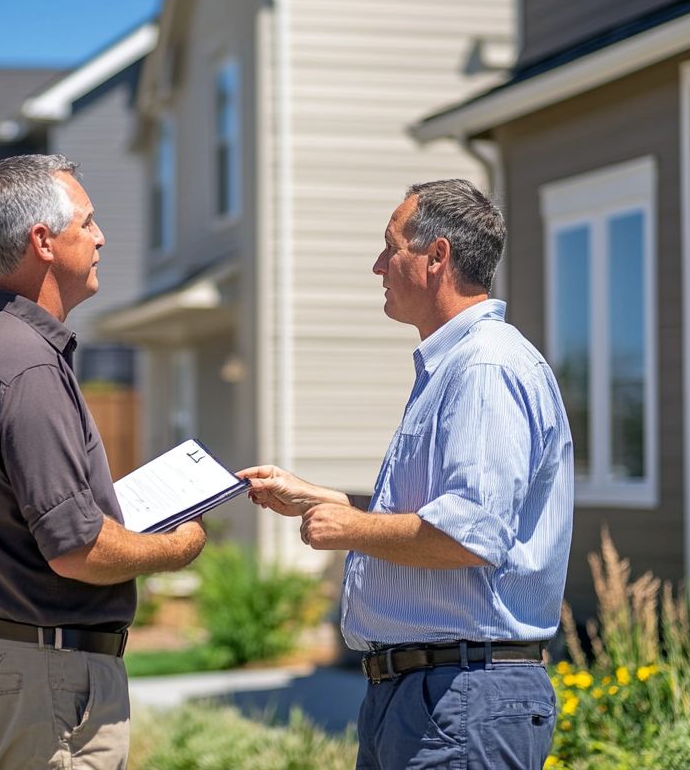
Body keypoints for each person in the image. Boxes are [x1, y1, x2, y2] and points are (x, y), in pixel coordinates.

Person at [238, 178, 573, 770]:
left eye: (390, 247)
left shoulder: (485, 367)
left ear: (437, 256)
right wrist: (321, 499)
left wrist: (345, 528)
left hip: (461, 696)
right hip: (436, 694)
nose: (377, 266)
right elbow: (440, 517)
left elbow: (468, 535)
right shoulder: (457, 368)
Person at [0, 154, 206, 770]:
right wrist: (176, 547)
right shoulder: (28, 366)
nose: (101, 237)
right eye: (88, 223)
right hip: (45, 679)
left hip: (7, 661)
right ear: (43, 242)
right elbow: (74, 547)